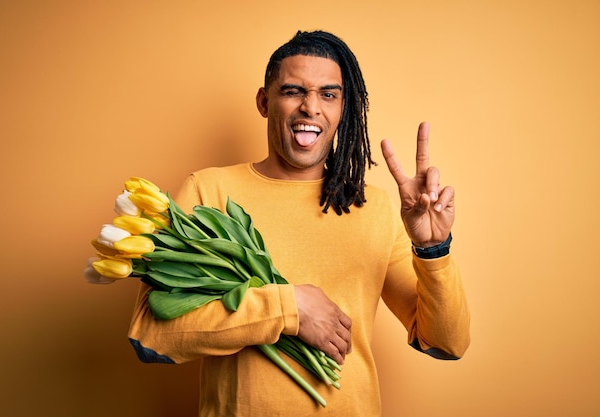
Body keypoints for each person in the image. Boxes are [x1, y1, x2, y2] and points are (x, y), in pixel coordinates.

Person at [128, 30, 470, 416]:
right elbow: (152, 336)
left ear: (344, 107)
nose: (311, 107)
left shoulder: (373, 206)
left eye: (328, 94)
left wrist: (433, 250)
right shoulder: (209, 191)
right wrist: (289, 308)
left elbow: (446, 343)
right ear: (264, 101)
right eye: (293, 91)